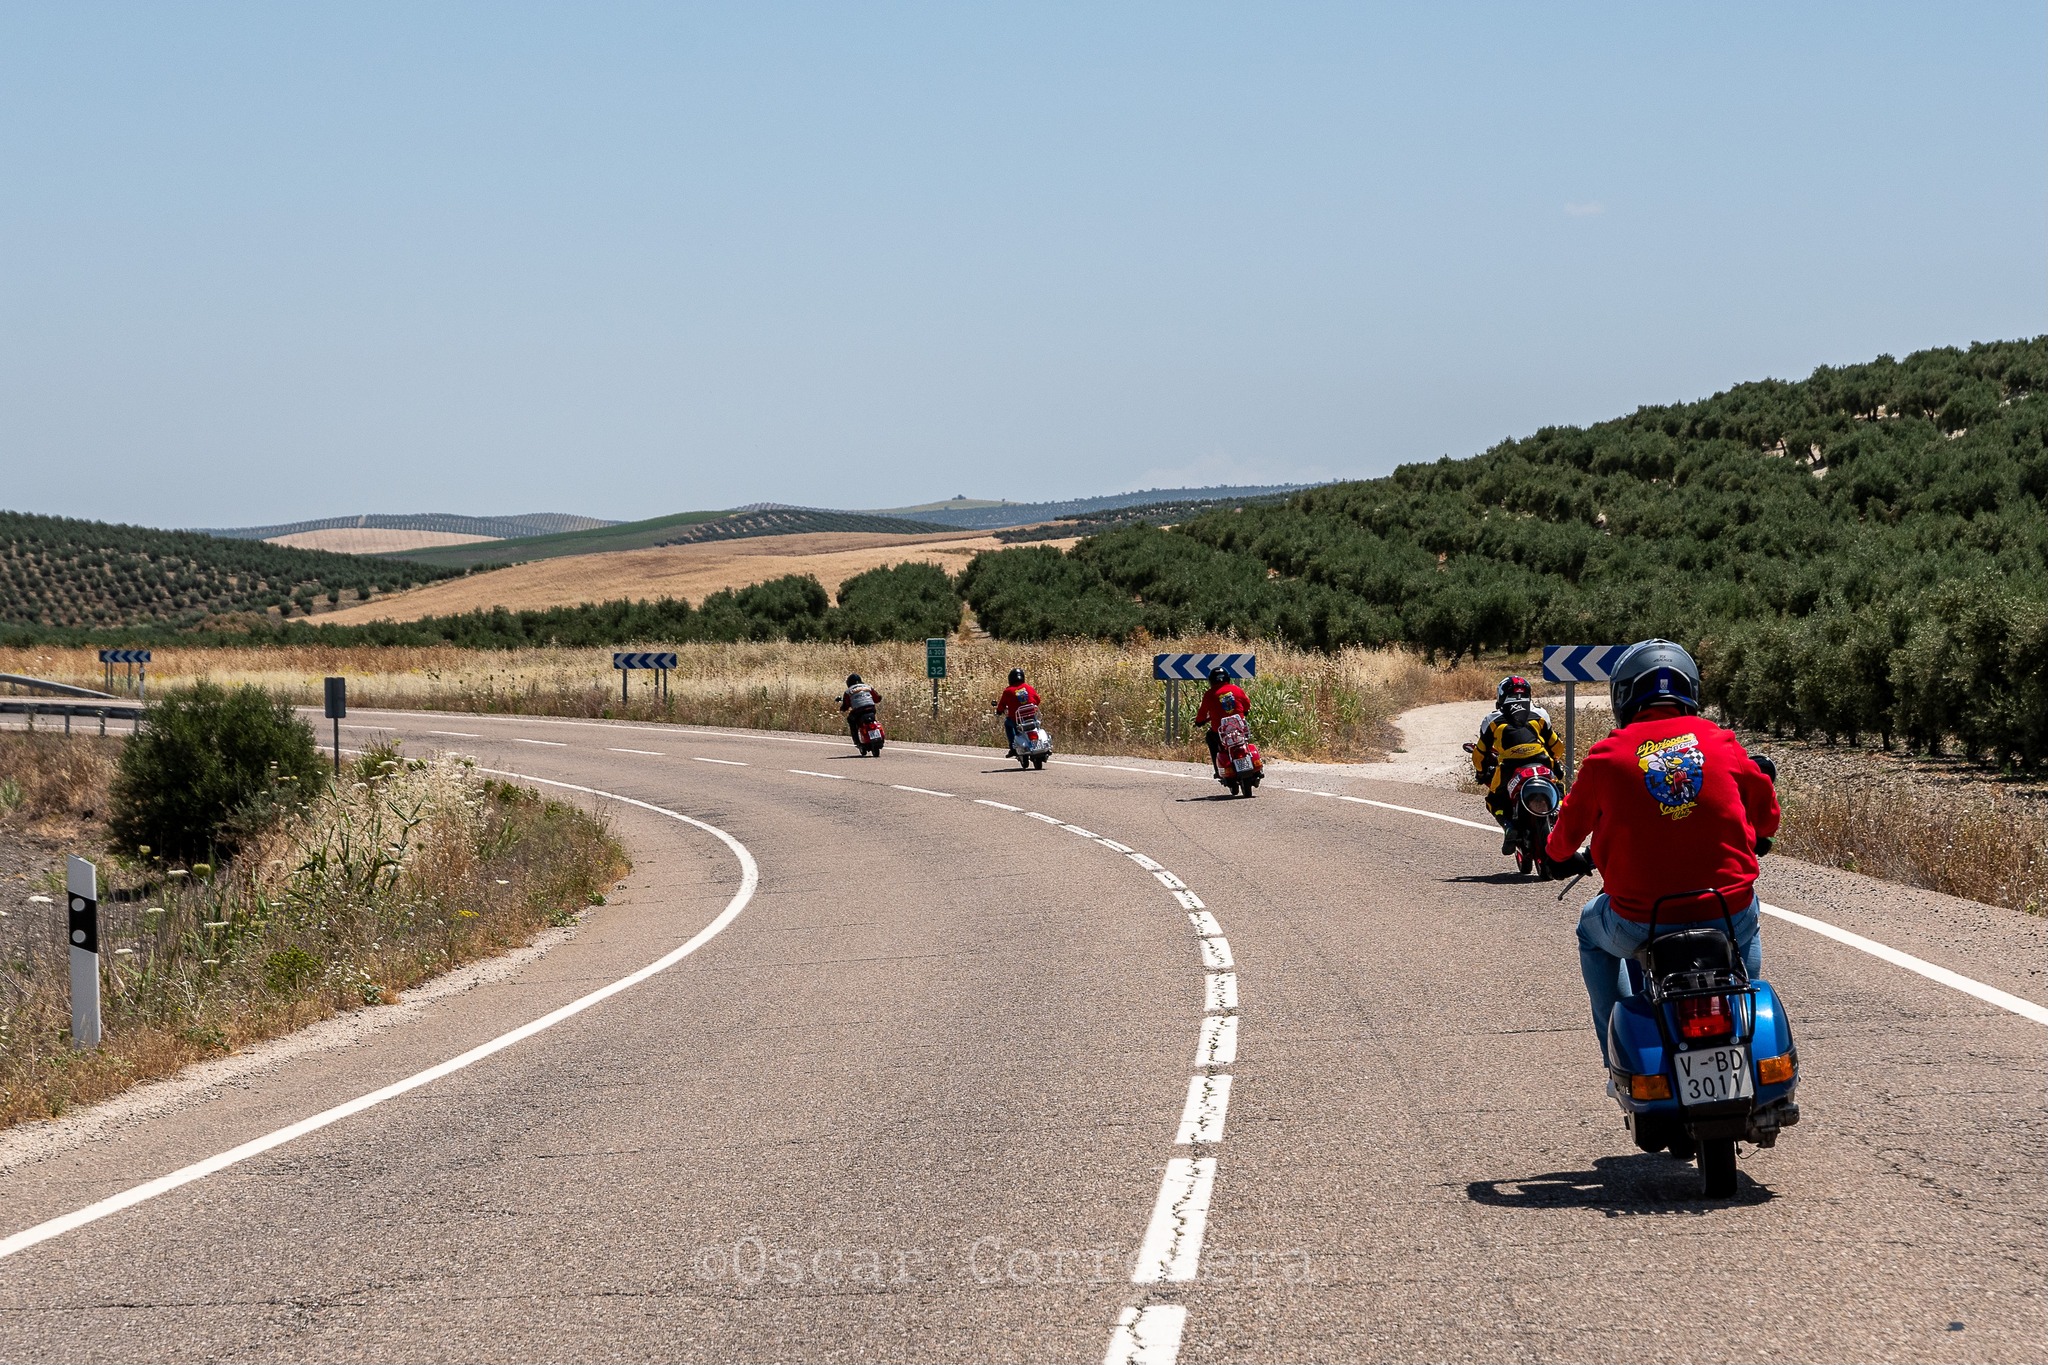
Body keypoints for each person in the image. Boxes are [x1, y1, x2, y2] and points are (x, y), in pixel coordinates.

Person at [1544, 639, 1781, 1067]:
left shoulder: (1606, 756)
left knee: (1589, 932)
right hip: (1725, 911)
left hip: (1639, 921)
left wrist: (1559, 857)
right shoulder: (1720, 740)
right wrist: (1758, 832)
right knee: (1746, 918)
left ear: (1623, 695)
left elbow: (1562, 840)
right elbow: (1766, 818)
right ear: (1689, 691)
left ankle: (1617, 1061)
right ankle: (1740, 1021)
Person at [1471, 675, 1567, 855]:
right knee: (1559, 787)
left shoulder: (1491, 720)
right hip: (1541, 761)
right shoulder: (1540, 714)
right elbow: (1556, 746)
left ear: (1501, 695)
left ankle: (1509, 827)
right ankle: (1559, 811)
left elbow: (1480, 753)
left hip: (1509, 767)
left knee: (1494, 801)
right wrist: (1556, 761)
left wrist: (1481, 772)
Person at [1192, 667, 1251, 771]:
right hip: (1239, 728)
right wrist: (1245, 711)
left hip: (1219, 732)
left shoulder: (1209, 694)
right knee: (1245, 739)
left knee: (1210, 737)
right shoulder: (1236, 689)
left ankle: (1217, 769)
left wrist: (1199, 722)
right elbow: (1247, 703)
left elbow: (1202, 713)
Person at [993, 667, 1040, 755]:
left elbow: (1001, 705)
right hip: (1031, 717)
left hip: (1016, 719)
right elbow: (1037, 700)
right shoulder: (1029, 688)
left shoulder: (1008, 691)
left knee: (1007, 723)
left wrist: (999, 711)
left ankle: (1012, 747)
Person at [839, 673, 881, 745]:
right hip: (871, 708)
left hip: (858, 711)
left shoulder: (848, 691)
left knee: (851, 720)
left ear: (849, 683)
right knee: (873, 719)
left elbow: (846, 705)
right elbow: (877, 698)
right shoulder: (868, 687)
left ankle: (857, 741)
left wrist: (843, 708)